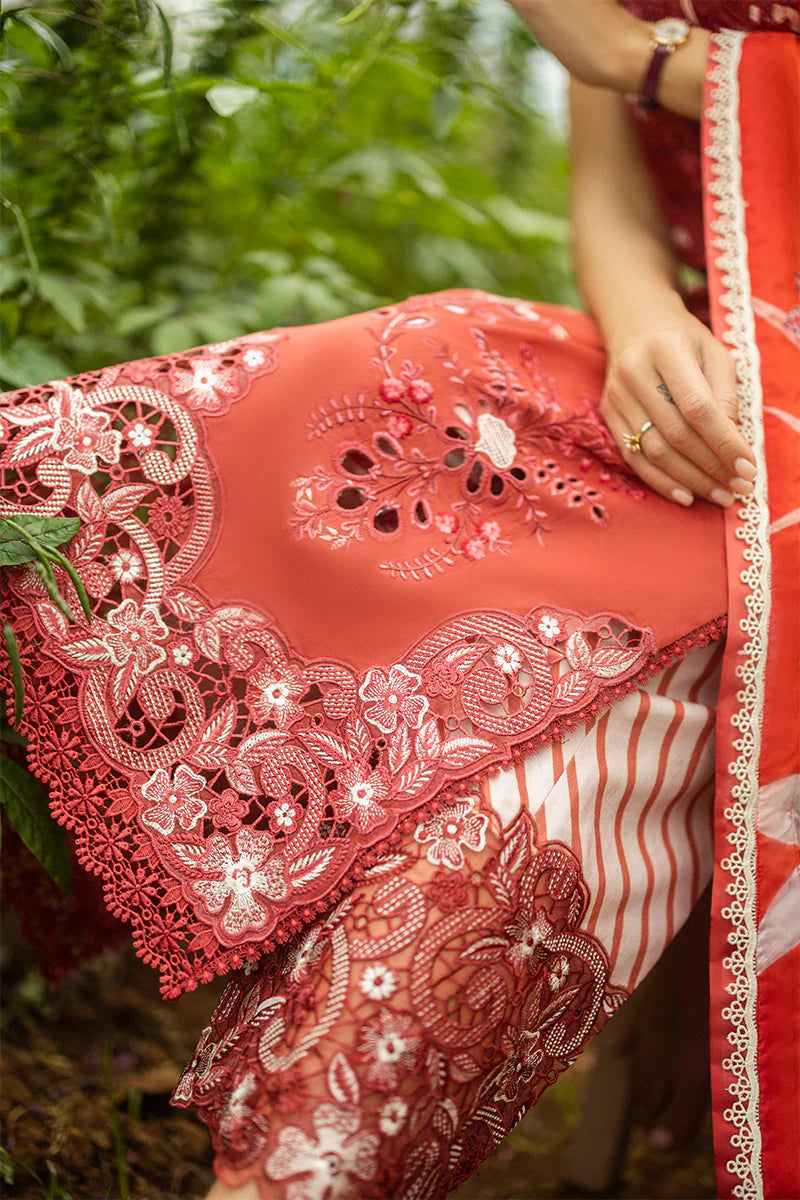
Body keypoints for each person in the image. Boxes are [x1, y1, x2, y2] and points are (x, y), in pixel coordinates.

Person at [1, 3, 797, 1199]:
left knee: (602, 690)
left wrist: (636, 59)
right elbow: (613, 199)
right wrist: (643, 332)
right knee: (427, 360)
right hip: (714, 362)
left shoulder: (618, 33)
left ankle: (317, 1144)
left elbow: (613, 64)